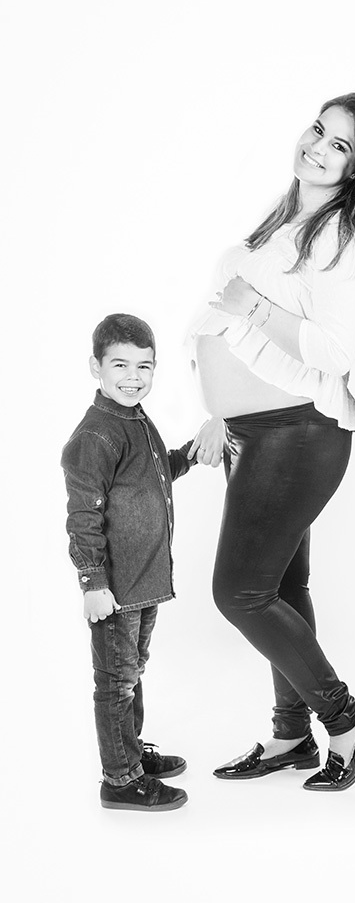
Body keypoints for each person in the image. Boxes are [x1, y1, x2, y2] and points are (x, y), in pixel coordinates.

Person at [188, 92, 355, 792]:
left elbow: (334, 351)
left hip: (298, 433)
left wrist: (252, 305)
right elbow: (226, 330)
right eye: (318, 129)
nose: (318, 145)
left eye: (340, 144)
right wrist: (217, 408)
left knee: (238, 593)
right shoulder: (284, 222)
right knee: (279, 585)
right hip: (254, 433)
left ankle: (346, 720)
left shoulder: (340, 241)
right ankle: (291, 735)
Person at [61, 314, 196, 810]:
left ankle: (131, 755)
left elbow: (152, 476)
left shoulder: (135, 418)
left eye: (144, 366)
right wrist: (92, 582)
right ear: (95, 367)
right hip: (116, 589)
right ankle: (120, 779)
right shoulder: (96, 436)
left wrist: (191, 454)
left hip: (144, 581)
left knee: (131, 672)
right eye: (120, 365)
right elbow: (83, 516)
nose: (133, 377)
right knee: (116, 682)